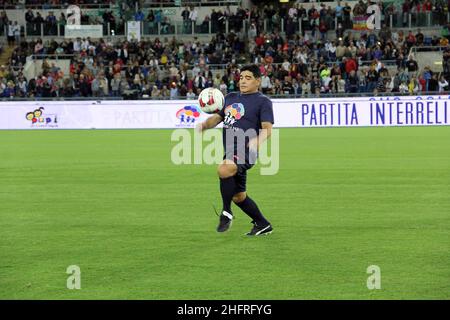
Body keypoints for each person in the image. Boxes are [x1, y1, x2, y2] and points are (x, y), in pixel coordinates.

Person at [196, 64, 274, 236]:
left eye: (248, 78)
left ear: (258, 81)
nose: (243, 81)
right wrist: (204, 125)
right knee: (238, 196)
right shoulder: (230, 97)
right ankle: (262, 224)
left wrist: (257, 141)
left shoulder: (263, 101)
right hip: (231, 149)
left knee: (224, 168)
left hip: (247, 149)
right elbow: (217, 119)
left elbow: (267, 128)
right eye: (241, 78)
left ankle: (226, 212)